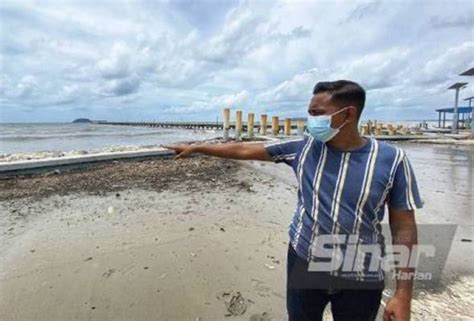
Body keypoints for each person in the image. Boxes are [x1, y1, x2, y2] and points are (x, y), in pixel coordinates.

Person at [163, 80, 422, 321]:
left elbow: (404, 227)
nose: (311, 121)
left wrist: (403, 294)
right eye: (309, 113)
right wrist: (197, 147)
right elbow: (244, 149)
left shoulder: (392, 160)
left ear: (348, 114)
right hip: (305, 258)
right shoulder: (303, 149)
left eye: (317, 113)